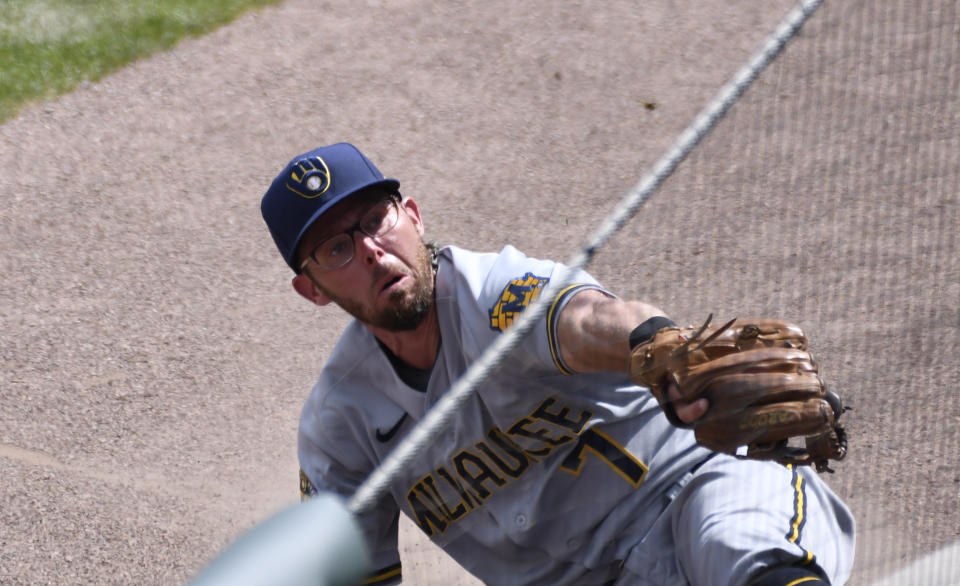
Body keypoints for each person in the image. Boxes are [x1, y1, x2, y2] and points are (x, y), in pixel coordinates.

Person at [260, 143, 855, 585]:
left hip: (694, 491)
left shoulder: (494, 291)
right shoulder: (340, 428)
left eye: (375, 220)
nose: (370, 249)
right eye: (337, 248)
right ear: (311, 288)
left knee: (737, 544)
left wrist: (658, 346)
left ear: (412, 215)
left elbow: (585, 319)